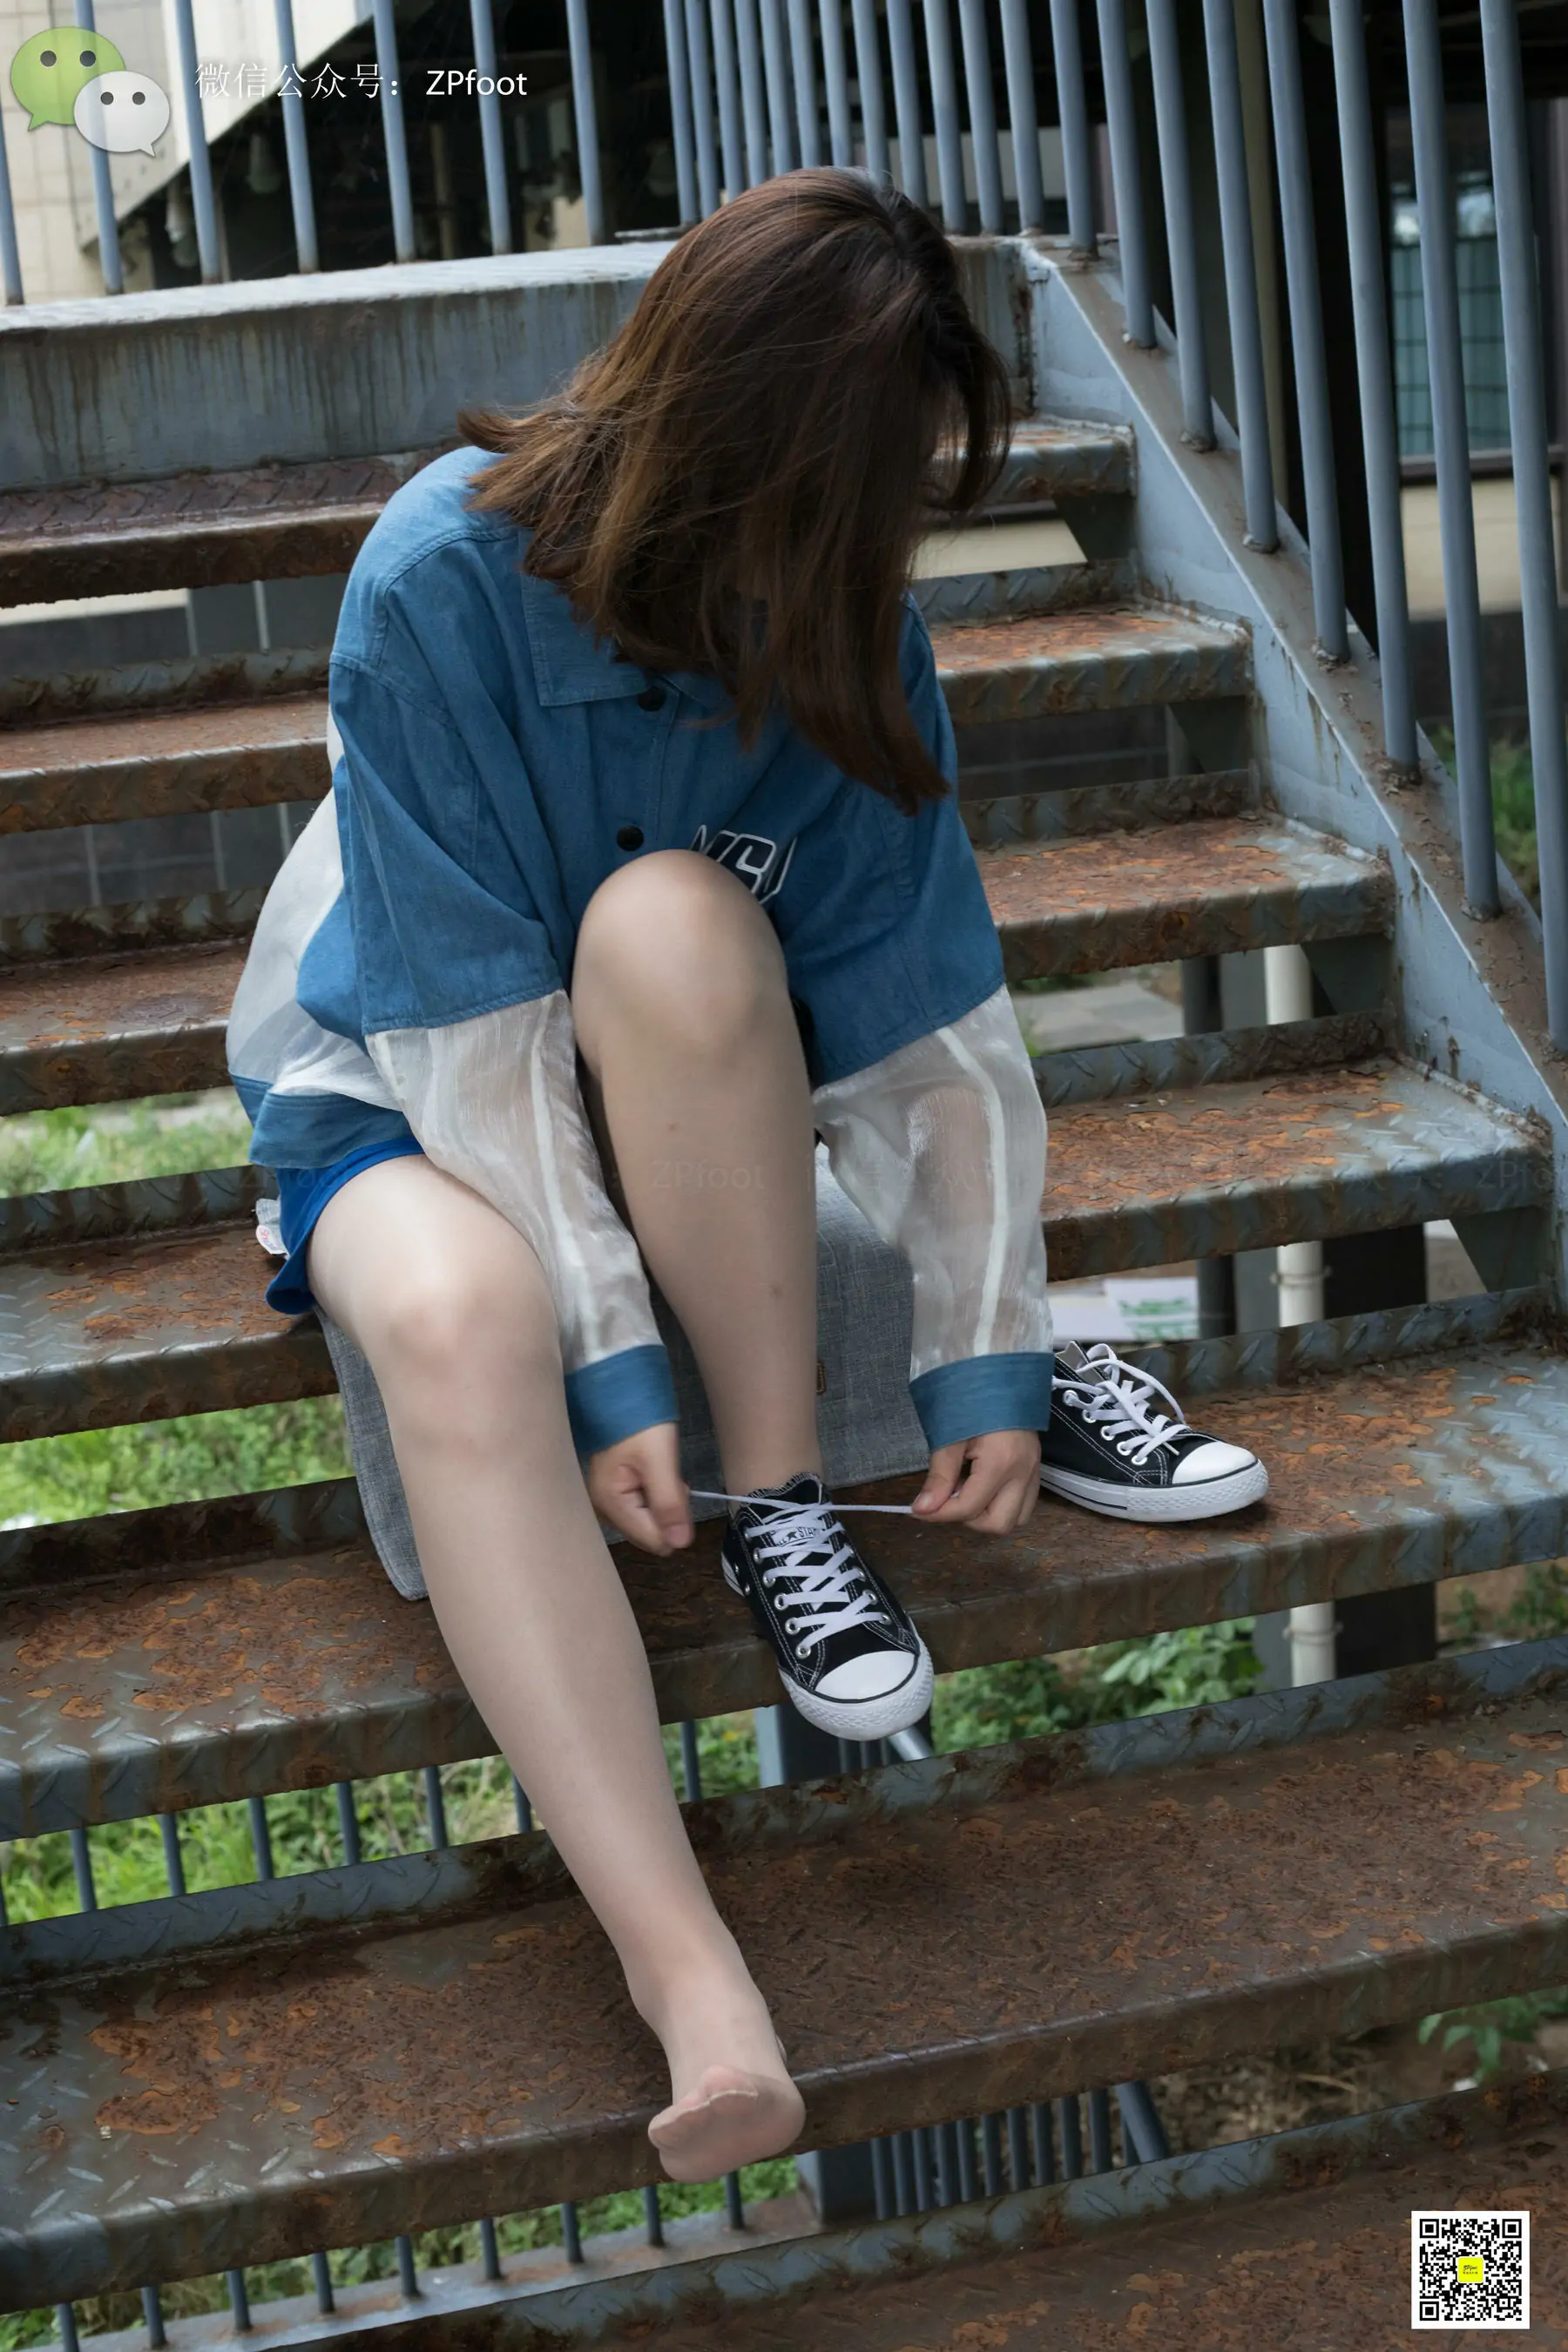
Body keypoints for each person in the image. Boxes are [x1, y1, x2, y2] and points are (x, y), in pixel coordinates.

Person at [226, 167, 1262, 2189]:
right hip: (400, 1076)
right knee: (464, 1317)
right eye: (850, 494)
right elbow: (473, 1047)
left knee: (680, 916)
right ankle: (690, 1978)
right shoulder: (439, 574)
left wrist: (979, 1350)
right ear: (723, 440)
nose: (873, 549)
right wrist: (611, 1358)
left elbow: (929, 1021)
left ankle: (780, 1502)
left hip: (669, 1058)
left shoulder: (851, 619)